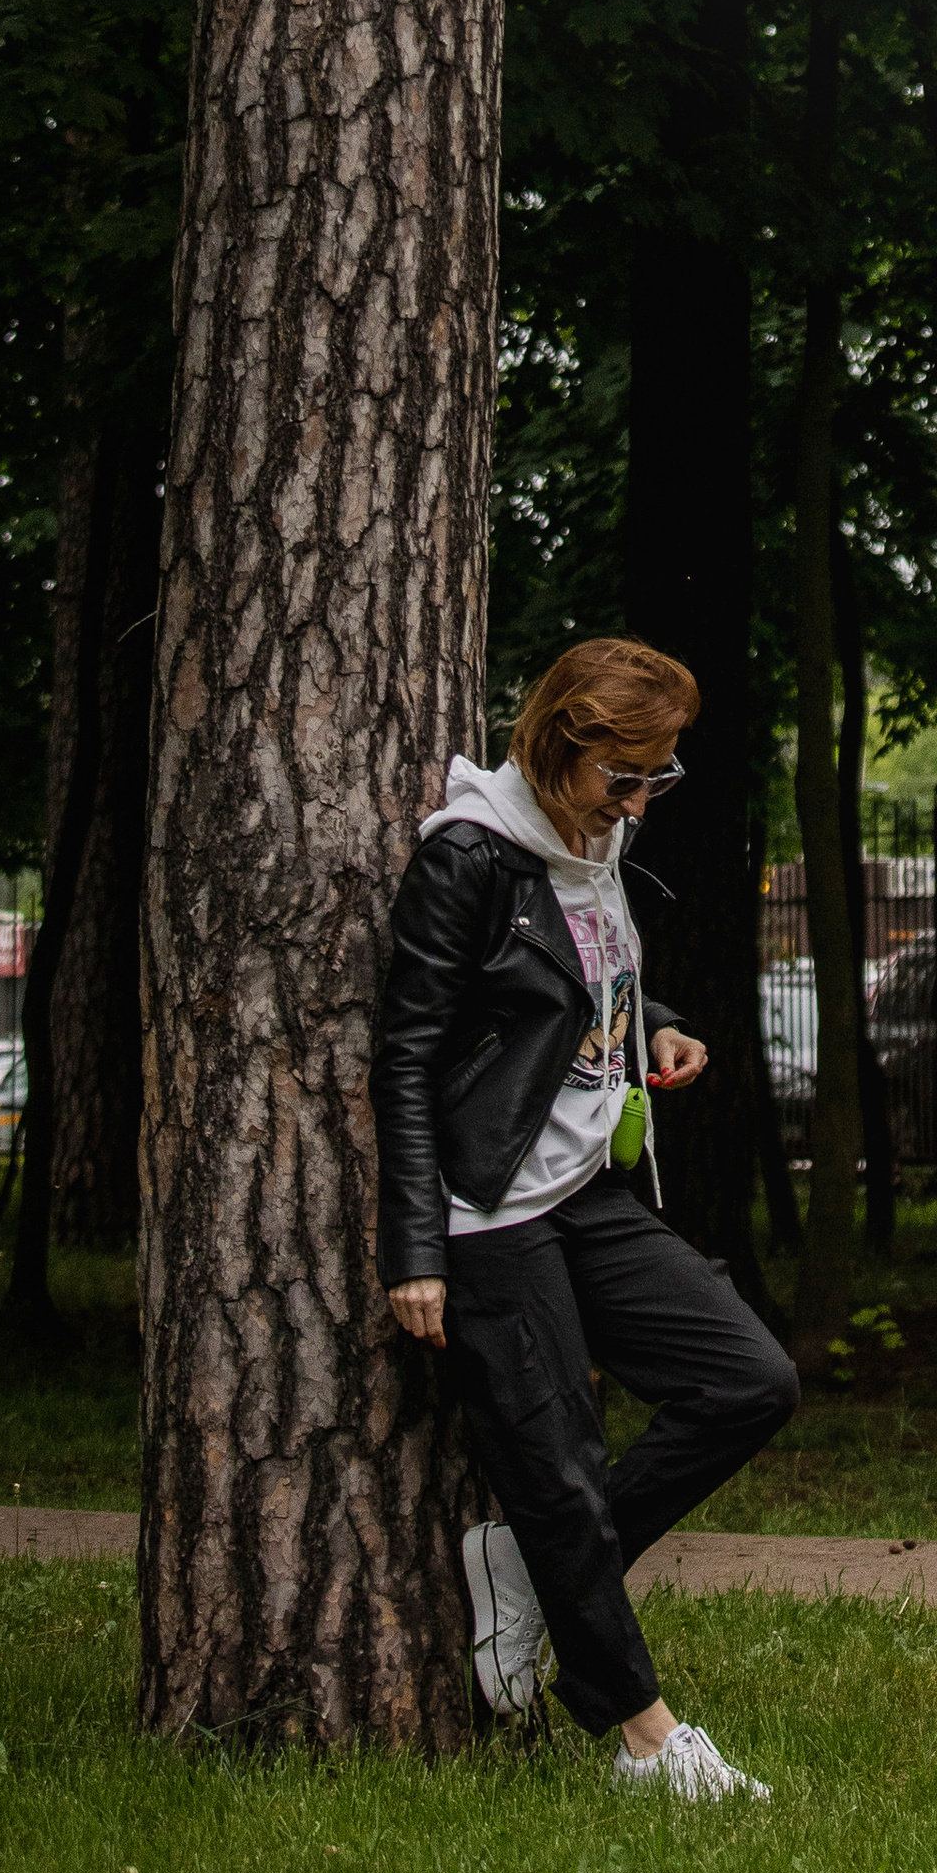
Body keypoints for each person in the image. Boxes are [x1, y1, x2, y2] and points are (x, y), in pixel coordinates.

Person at [373, 634, 798, 1797]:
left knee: (749, 1380)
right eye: (626, 776)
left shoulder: (594, 839)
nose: (642, 799)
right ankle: (646, 1744)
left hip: (586, 1188)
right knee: (555, 1463)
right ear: (563, 747)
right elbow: (406, 1058)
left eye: (661, 774)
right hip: (489, 1211)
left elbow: (574, 974)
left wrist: (646, 1017)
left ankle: (526, 1566)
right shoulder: (470, 858)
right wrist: (415, 1247)